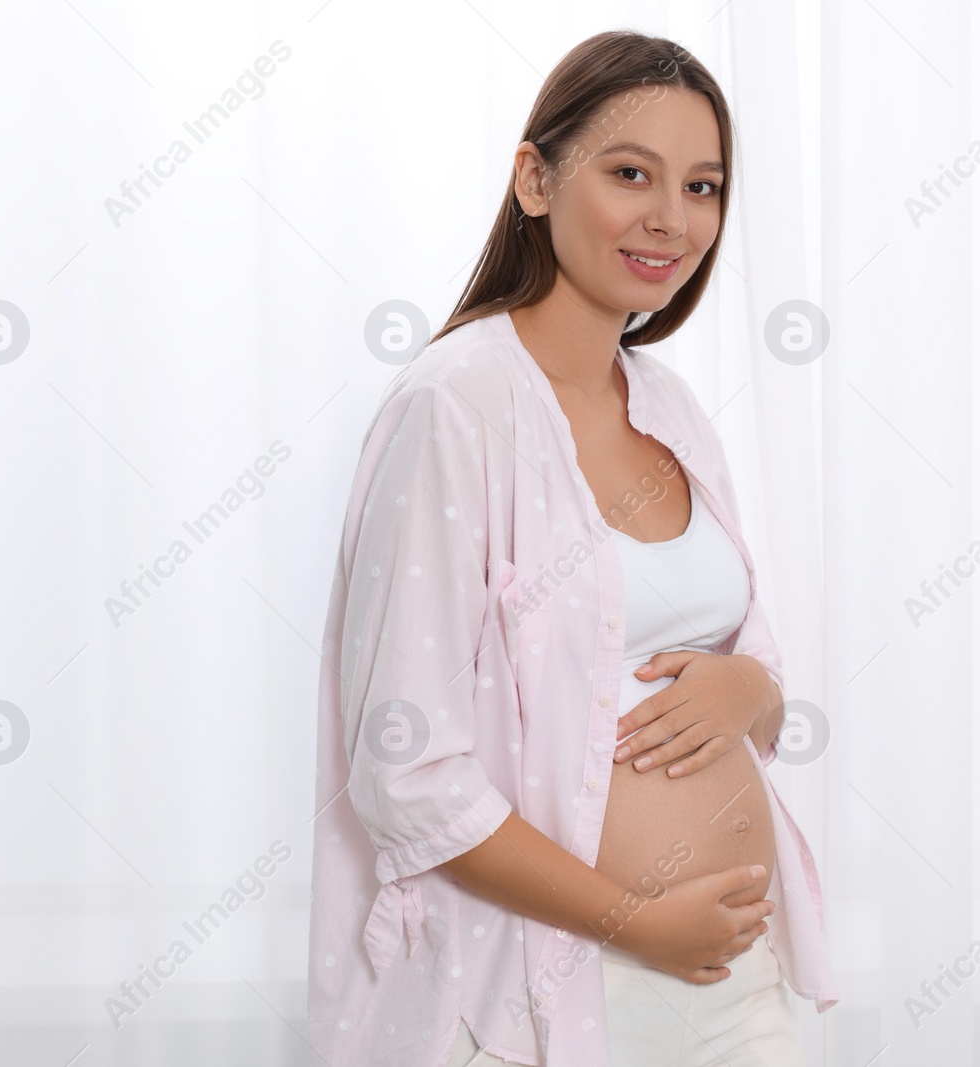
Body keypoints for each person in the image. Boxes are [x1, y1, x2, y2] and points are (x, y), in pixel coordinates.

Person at [308, 29, 837, 1067]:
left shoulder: (672, 407)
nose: (671, 218)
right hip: (550, 989)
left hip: (735, 976)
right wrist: (634, 921)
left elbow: (752, 670)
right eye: (630, 173)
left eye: (702, 185)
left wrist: (751, 694)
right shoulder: (455, 406)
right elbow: (407, 769)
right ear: (535, 179)